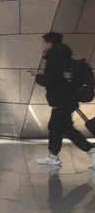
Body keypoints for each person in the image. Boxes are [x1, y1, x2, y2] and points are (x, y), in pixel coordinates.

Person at [34, 31, 94, 169]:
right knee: (56, 126)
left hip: (61, 99)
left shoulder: (53, 59)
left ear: (50, 43)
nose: (44, 46)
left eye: (45, 43)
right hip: (67, 98)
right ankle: (53, 156)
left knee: (64, 127)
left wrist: (38, 77)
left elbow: (49, 80)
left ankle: (91, 150)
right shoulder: (66, 57)